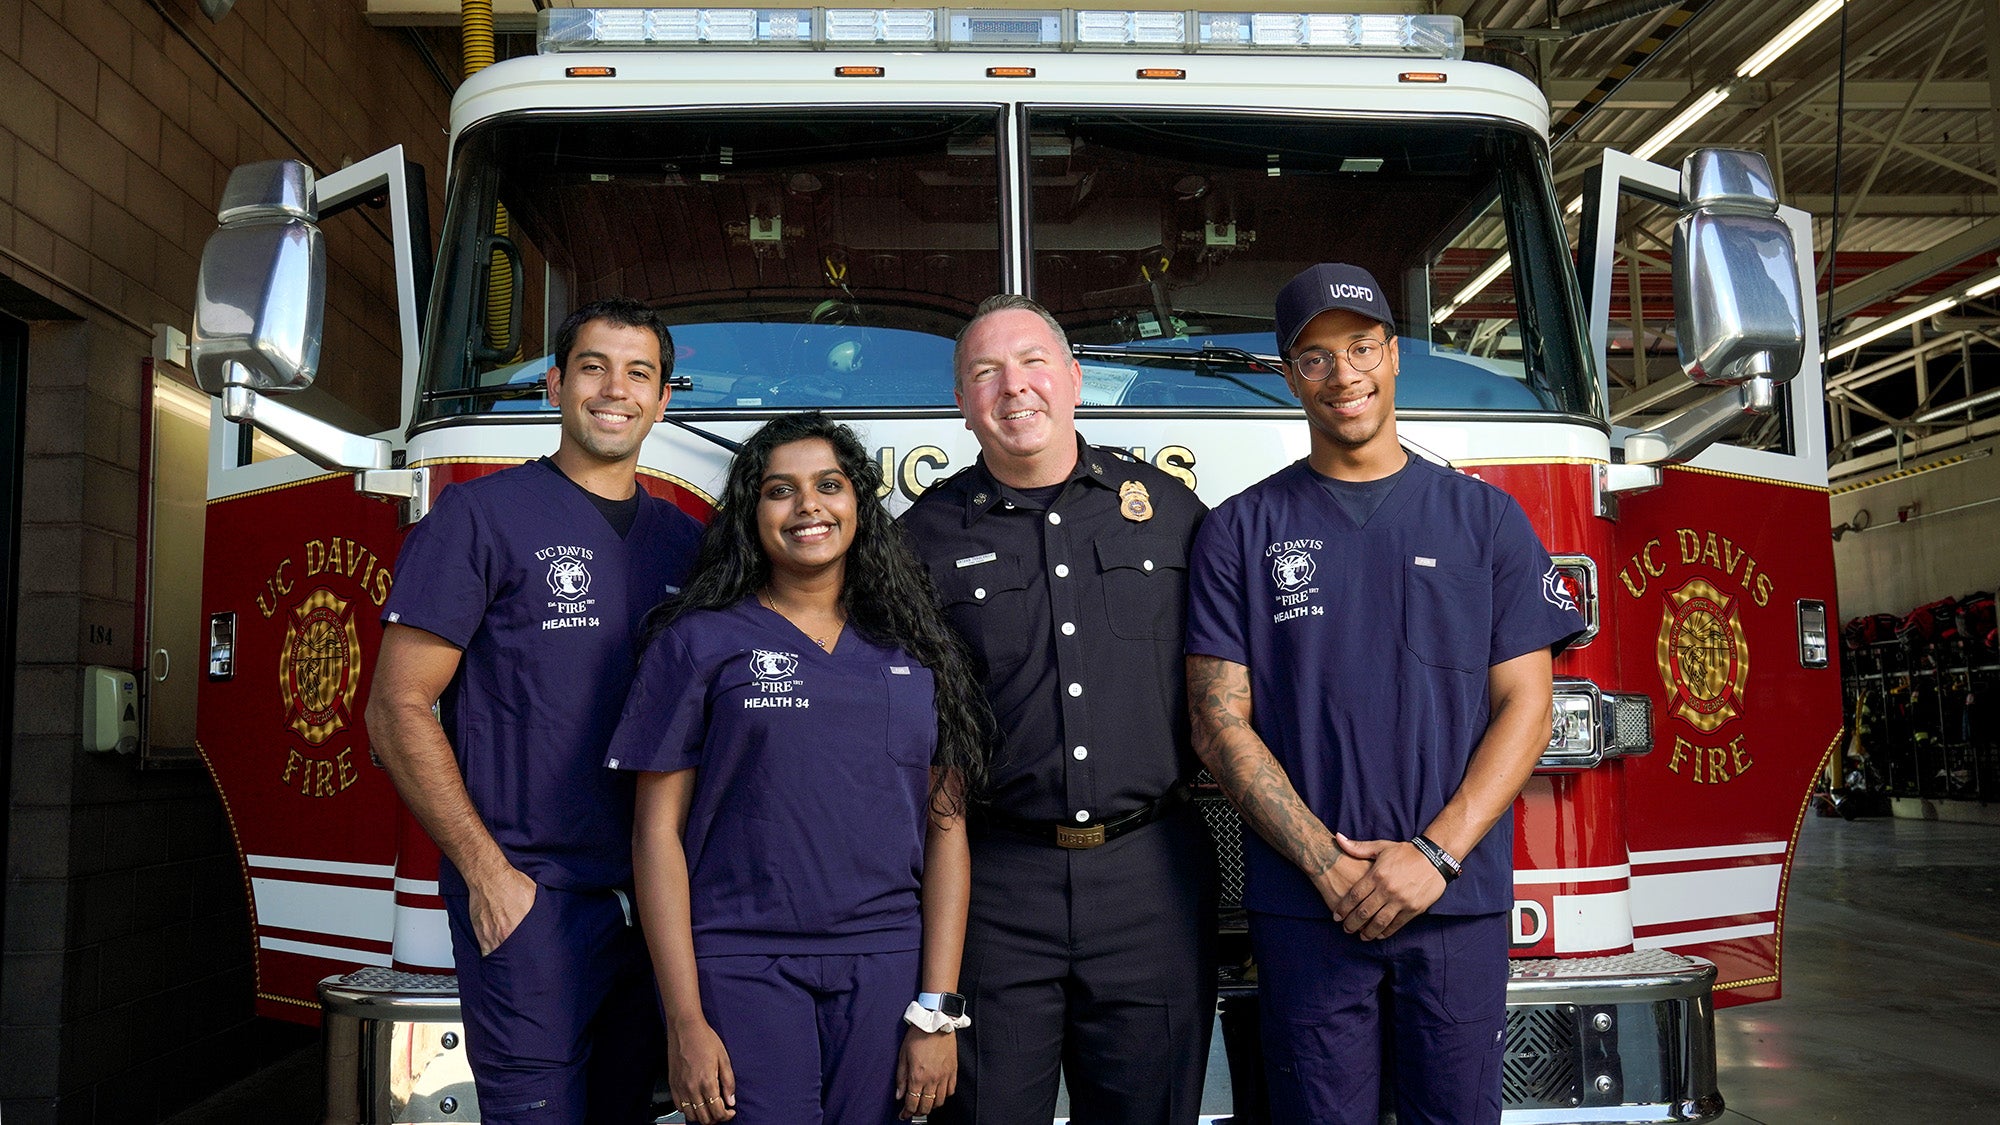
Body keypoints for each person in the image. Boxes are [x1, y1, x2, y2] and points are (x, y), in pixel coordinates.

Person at [1184, 263, 1585, 1124]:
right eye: (1316, 357)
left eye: (1361, 346)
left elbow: (1529, 707)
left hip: (1455, 899)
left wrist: (1433, 854)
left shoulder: (1486, 520)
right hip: (1307, 906)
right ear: (1289, 376)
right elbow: (1219, 726)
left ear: (1395, 355)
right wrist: (1326, 864)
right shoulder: (1240, 530)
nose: (1345, 375)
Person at [365, 296, 702, 1123]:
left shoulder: (690, 543)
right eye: (592, 367)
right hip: (535, 899)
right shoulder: (480, 518)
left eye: (639, 373)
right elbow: (396, 707)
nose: (614, 389)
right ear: (554, 385)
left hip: (655, 904)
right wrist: (489, 876)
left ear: (663, 401)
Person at [605, 412, 989, 1125]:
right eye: (781, 489)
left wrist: (936, 1012)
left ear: (858, 504)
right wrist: (685, 1018)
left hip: (885, 962)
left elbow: (947, 833)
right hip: (740, 963)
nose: (809, 505)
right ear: (752, 513)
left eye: (829, 484)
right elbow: (654, 838)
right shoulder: (698, 642)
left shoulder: (917, 647)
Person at [899, 295, 1217, 1125]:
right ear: (962, 404)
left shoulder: (1174, 515)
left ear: (1076, 380)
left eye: (1034, 362)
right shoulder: (918, 540)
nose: (1015, 387)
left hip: (1151, 878)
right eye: (985, 372)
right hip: (998, 885)